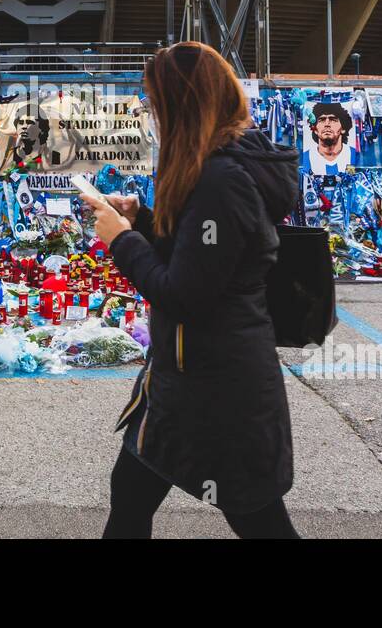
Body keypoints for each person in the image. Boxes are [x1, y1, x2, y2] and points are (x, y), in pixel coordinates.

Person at [79, 41, 302, 539]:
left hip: (218, 389)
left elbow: (184, 293)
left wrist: (122, 240)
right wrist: (145, 221)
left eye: (156, 104)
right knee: (130, 492)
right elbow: (203, 256)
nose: (152, 116)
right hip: (182, 378)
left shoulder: (221, 178)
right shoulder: (219, 165)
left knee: (259, 519)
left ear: (182, 104)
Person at [301, 100, 358, 175]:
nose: (327, 124)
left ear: (343, 128)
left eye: (333, 120)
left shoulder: (353, 154)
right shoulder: (305, 157)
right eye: (322, 120)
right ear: (315, 129)